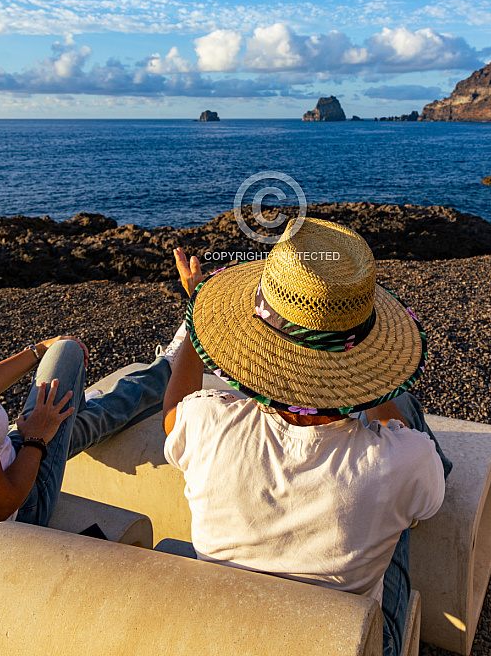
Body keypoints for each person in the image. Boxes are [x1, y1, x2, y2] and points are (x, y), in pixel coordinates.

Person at [162, 217, 452, 656]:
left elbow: (172, 410)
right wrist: (370, 384)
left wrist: (196, 307)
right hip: (352, 635)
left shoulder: (207, 423)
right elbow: (429, 505)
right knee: (412, 471)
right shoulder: (398, 462)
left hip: (229, 628)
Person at [0, 333, 171, 526]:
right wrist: (35, 438)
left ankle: (166, 370)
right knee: (68, 353)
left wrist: (39, 350)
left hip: (1, 454)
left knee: (77, 418)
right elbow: (4, 505)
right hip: (24, 503)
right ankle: (169, 369)